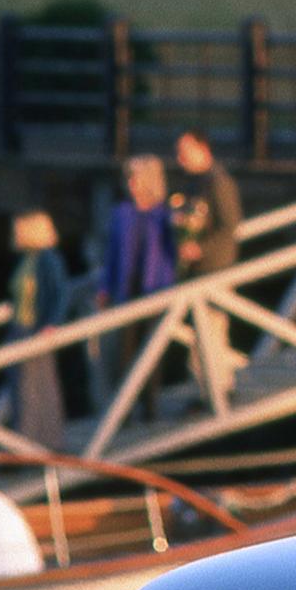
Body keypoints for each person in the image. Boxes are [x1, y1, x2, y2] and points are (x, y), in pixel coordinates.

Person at [98, 155, 178, 419]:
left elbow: (173, 252)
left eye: (136, 178)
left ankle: (150, 409)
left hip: (155, 288)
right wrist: (104, 287)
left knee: (151, 352)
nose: (131, 183)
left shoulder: (164, 214)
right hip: (127, 289)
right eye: (129, 178)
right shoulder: (121, 213)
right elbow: (111, 255)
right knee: (124, 353)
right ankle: (124, 411)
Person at [172, 130, 245, 398]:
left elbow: (230, 226)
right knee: (201, 334)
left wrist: (200, 248)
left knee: (212, 331)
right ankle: (207, 391)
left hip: (215, 269)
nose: (179, 158)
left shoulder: (219, 182)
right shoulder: (195, 183)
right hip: (198, 272)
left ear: (203, 149)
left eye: (185, 151)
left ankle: (219, 391)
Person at [0, 211, 70, 452]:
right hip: (19, 329)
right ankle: (26, 443)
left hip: (34, 330)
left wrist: (52, 323)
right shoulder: (28, 258)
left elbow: (61, 293)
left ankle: (36, 445)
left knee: (36, 390)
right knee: (20, 389)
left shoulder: (48, 259)